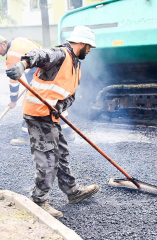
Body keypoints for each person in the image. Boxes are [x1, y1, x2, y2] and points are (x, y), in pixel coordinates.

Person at [6, 26, 99, 218]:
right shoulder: (60, 54)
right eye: (89, 47)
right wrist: (23, 65)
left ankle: (72, 191)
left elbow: (70, 95)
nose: (89, 51)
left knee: (61, 153)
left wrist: (61, 105)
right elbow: (39, 55)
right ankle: (39, 200)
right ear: (80, 43)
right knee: (48, 158)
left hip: (51, 115)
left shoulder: (76, 65)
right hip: (37, 114)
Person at [0, 35, 76, 146]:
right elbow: (38, 49)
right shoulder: (19, 40)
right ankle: (68, 133)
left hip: (41, 72)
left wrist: (13, 100)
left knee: (29, 102)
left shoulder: (11, 57)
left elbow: (14, 82)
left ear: (3, 44)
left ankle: (25, 137)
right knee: (54, 100)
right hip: (51, 67)